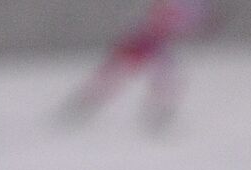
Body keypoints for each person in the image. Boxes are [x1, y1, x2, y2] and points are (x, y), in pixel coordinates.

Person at [59, 0, 213, 128]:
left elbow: (175, 22)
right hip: (145, 41)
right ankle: (84, 103)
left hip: (154, 43)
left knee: (162, 76)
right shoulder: (186, 8)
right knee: (117, 73)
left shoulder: (194, 7)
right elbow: (161, 20)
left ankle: (160, 113)